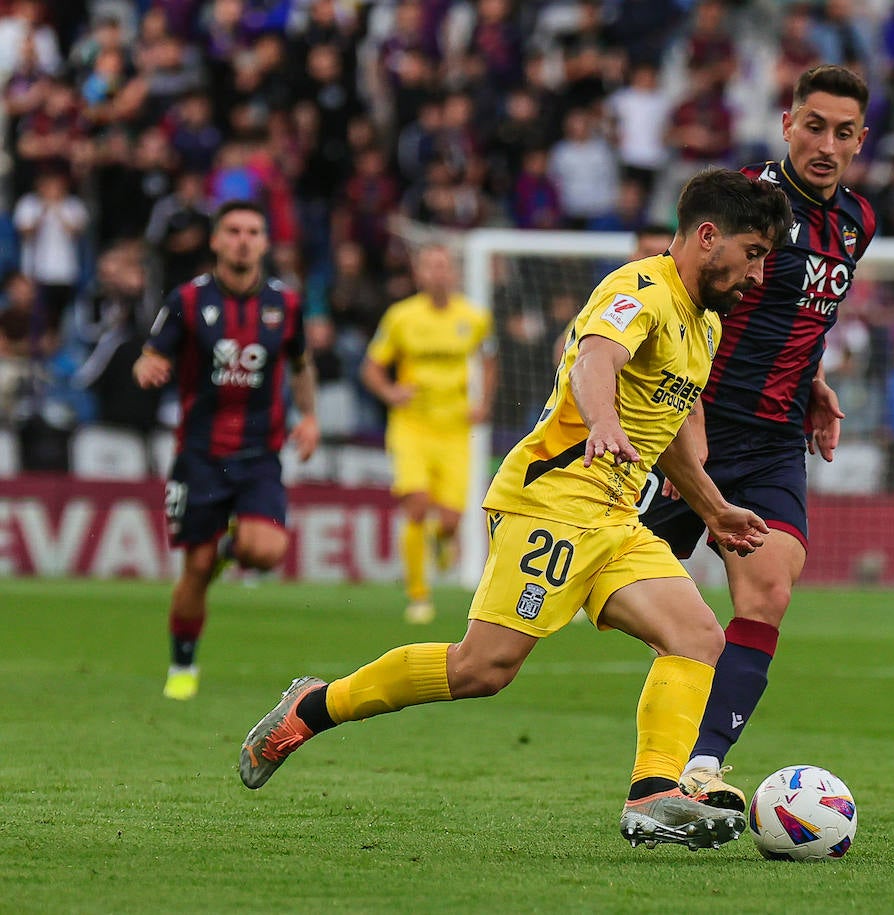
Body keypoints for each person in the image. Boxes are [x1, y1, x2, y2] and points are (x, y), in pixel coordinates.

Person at [237, 169, 792, 851]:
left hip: (616, 517)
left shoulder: (703, 322)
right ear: (709, 237)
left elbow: (666, 424)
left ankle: (653, 793)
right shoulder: (638, 289)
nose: (759, 275)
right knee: (483, 669)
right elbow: (596, 360)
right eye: (755, 252)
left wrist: (712, 507)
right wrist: (600, 419)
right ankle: (312, 707)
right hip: (552, 504)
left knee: (698, 637)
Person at [640, 65, 878, 811]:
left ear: (860, 141)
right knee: (573, 605)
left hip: (774, 441)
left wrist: (811, 383)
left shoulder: (857, 225)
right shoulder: (740, 204)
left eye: (843, 133)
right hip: (689, 430)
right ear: (786, 123)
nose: (826, 145)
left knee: (768, 590)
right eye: (814, 125)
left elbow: (803, 320)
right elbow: (678, 303)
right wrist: (682, 424)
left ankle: (700, 767)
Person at [133, 200, 319, 700]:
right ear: (215, 240)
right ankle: (182, 665)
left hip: (260, 453)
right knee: (194, 570)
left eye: (253, 231)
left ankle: (225, 547)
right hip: (199, 455)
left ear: (264, 242)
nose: (242, 240)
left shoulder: (287, 304)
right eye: (233, 231)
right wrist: (147, 367)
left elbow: (300, 365)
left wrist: (310, 418)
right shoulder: (187, 301)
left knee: (269, 549)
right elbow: (152, 353)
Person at [360, 244, 497, 624]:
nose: (438, 274)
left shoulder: (474, 317)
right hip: (412, 426)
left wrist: (483, 402)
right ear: (419, 274)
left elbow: (488, 358)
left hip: (455, 428)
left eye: (444, 267)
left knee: (451, 519)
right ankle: (418, 595)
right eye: (430, 267)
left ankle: (442, 539)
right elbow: (371, 367)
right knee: (417, 504)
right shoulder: (401, 317)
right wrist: (390, 392)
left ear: (453, 273)